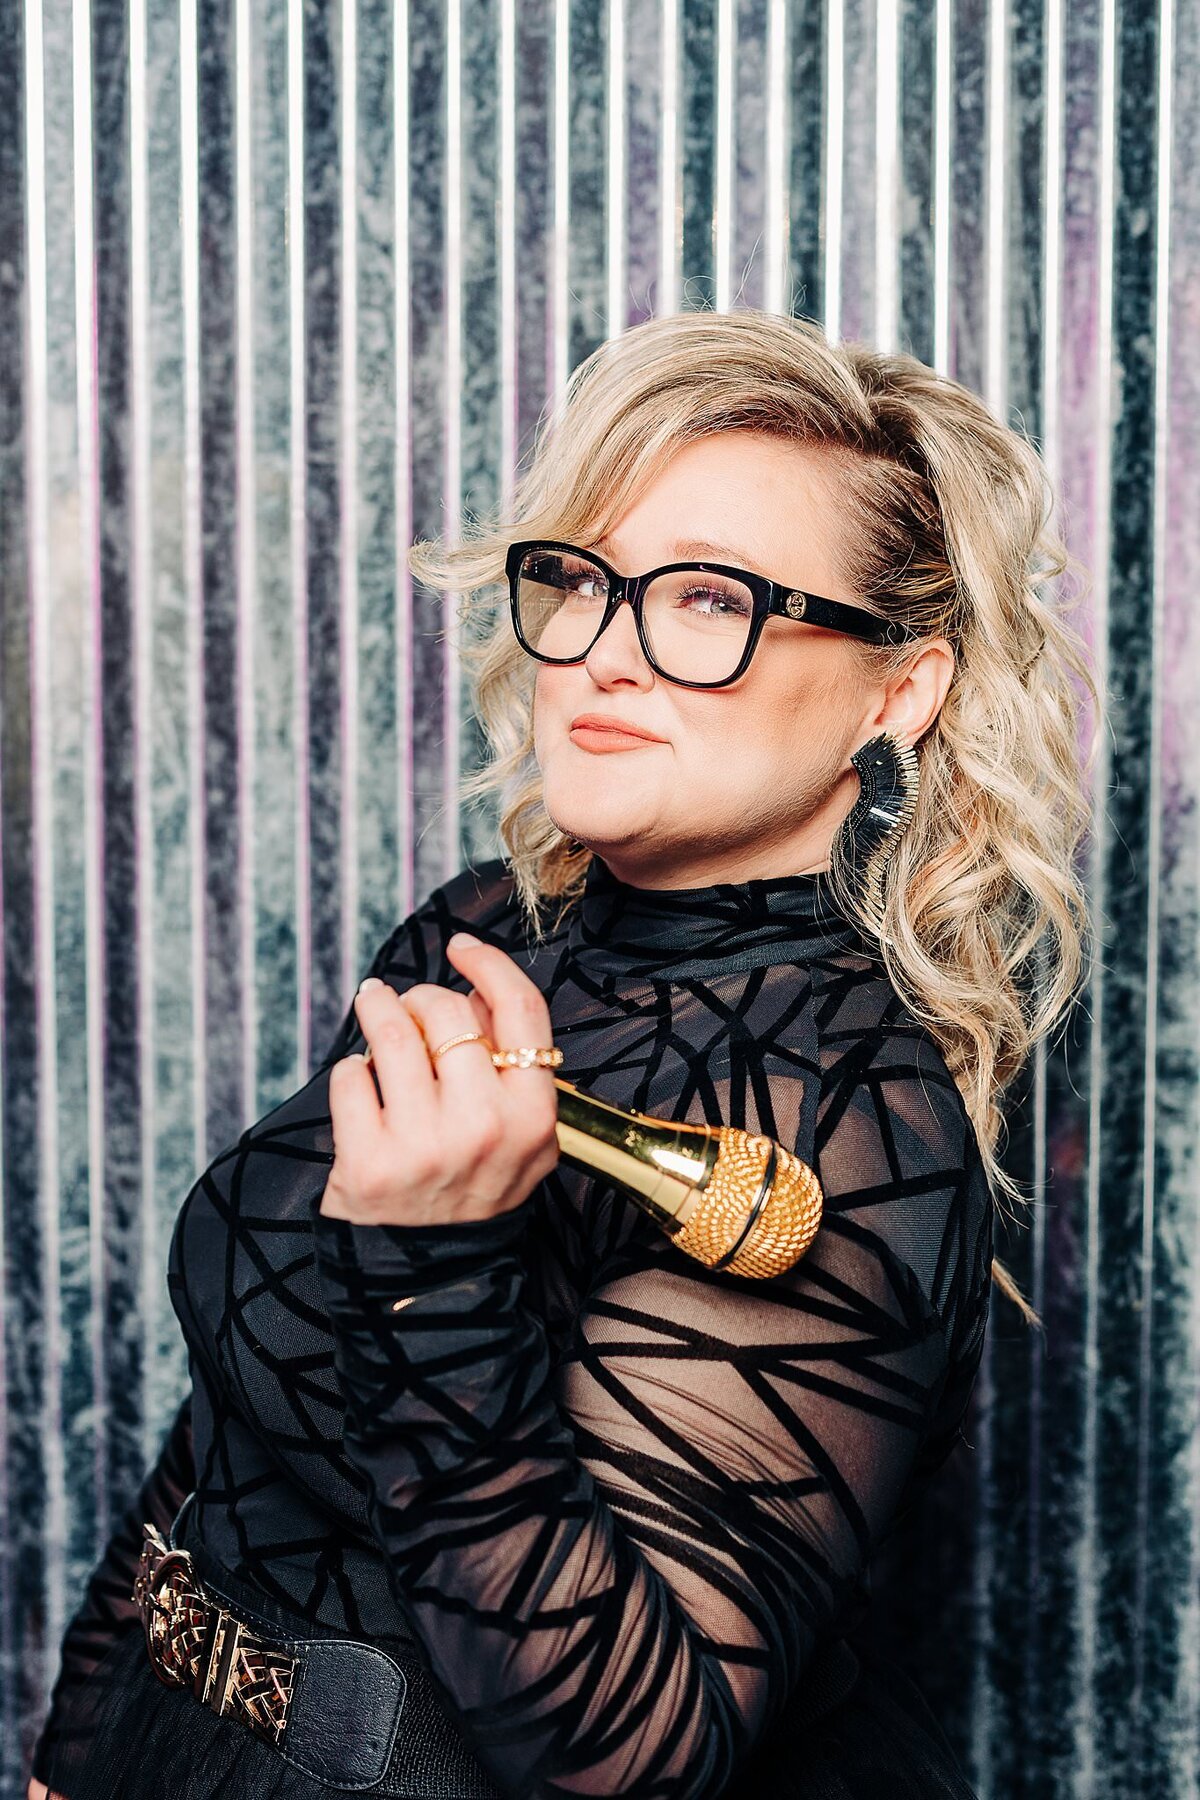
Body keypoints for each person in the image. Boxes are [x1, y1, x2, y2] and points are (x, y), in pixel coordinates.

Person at [29, 307, 1098, 1800]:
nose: (605, 654)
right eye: (582, 582)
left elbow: (626, 1758)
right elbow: (227, 1433)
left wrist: (437, 1263)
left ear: (894, 691)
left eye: (709, 602)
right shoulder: (481, 935)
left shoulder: (848, 1121)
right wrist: (74, 1756)